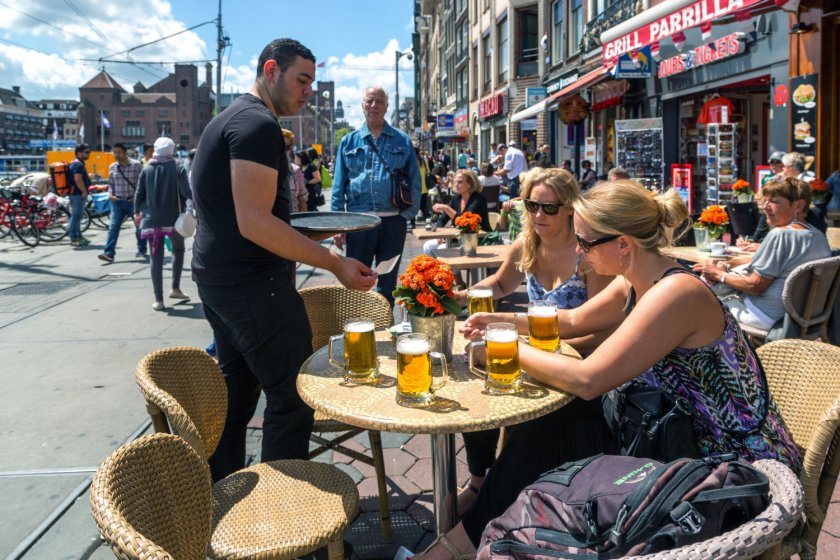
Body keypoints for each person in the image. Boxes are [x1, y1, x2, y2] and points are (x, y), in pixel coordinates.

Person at [416, 180, 802, 560]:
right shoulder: (636, 279)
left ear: (623, 244)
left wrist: (503, 349)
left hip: (729, 463)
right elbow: (569, 321)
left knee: (556, 418)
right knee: (545, 422)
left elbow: (588, 380)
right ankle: (478, 536)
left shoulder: (675, 292)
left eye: (585, 242)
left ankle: (467, 542)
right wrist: (495, 321)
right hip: (665, 432)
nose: (580, 254)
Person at [190, 38, 377, 482]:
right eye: (302, 79)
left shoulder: (231, 118)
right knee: (293, 397)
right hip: (256, 286)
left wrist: (319, 231)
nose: (308, 90)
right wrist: (333, 262)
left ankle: (222, 499)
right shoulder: (258, 125)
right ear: (271, 70)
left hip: (221, 281)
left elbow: (246, 217)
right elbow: (255, 222)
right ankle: (280, 522)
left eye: (312, 81)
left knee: (236, 398)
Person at [451, 167, 614, 514]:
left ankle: (504, 494)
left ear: (570, 208)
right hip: (537, 357)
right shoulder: (527, 245)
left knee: (518, 409)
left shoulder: (588, 255)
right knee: (474, 386)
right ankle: (480, 479)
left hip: (578, 362)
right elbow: (499, 285)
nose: (539, 215)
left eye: (549, 208)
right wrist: (458, 296)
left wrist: (539, 350)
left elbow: (602, 331)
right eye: (531, 206)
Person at [694, 177, 831, 331]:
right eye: (765, 201)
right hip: (802, 316)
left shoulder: (780, 235)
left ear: (798, 205)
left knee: (700, 298)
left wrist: (719, 275)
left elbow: (755, 286)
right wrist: (730, 264)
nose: (765, 207)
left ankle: (720, 353)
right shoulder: (817, 235)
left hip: (766, 315)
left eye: (774, 201)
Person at [331, 85, 421, 305]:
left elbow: (416, 180)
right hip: (359, 223)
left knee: (388, 283)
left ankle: (384, 328)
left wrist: (405, 215)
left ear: (386, 106)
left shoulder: (402, 140)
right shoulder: (348, 142)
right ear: (363, 105)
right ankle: (360, 329)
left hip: (392, 222)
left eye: (379, 101)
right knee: (356, 281)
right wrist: (337, 225)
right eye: (369, 101)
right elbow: (338, 186)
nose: (374, 105)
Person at [133, 137, 191, 311]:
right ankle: (175, 288)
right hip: (174, 219)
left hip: (151, 219)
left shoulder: (147, 169)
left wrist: (137, 212)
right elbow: (186, 192)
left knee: (155, 257)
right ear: (171, 150)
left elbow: (139, 194)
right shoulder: (177, 167)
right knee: (178, 250)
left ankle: (158, 299)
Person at [423, 169, 490, 256]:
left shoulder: (478, 199)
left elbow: (465, 223)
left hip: (476, 239)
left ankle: (450, 269)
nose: (456, 184)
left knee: (441, 249)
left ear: (470, 184)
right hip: (459, 238)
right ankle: (440, 269)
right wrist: (439, 235)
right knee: (427, 246)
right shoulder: (457, 198)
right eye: (455, 182)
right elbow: (442, 219)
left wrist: (446, 208)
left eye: (460, 182)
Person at [98, 143, 146, 263]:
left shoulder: (136, 165)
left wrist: (139, 198)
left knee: (139, 227)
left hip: (134, 202)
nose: (116, 155)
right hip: (117, 202)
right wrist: (111, 195)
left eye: (118, 152)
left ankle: (142, 249)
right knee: (113, 228)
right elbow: (111, 184)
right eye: (114, 152)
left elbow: (143, 184)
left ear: (125, 153)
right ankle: (109, 253)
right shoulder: (113, 167)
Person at [67, 144, 92, 247]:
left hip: (76, 193)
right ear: (78, 153)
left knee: (78, 216)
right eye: (86, 152)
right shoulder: (78, 165)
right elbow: (78, 179)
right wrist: (84, 191)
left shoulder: (77, 163)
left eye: (89, 152)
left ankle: (78, 236)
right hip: (77, 193)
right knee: (76, 216)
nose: (88, 154)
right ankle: (73, 237)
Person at [281, 129, 308, 213]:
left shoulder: (295, 170)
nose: (283, 150)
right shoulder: (264, 170)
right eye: (280, 146)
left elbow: (302, 199)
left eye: (287, 147)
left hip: (293, 220)